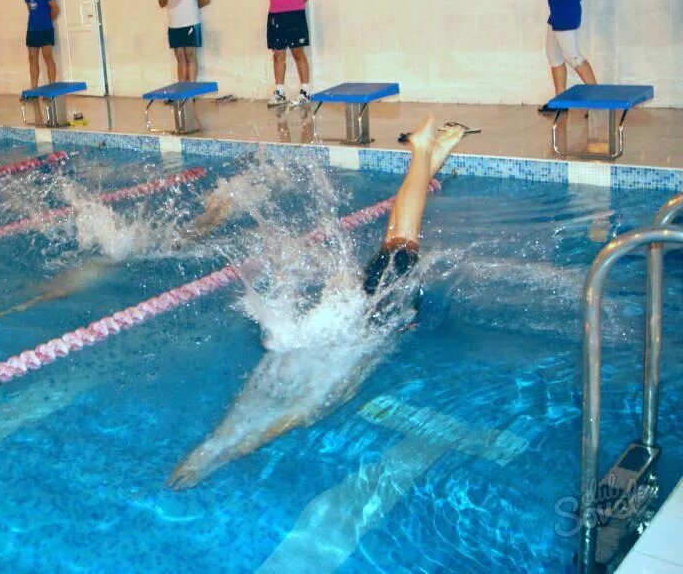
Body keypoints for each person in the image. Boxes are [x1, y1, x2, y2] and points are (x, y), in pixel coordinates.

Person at [168, 115, 467, 490]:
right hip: (365, 308)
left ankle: (424, 150)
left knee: (402, 235)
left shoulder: (312, 388)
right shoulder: (306, 369)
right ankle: (431, 154)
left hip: (370, 311)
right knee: (399, 232)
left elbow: (276, 421)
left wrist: (214, 454)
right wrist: (212, 453)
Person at [22, 0, 59, 90]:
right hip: (32, 29)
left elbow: (55, 8)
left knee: (47, 57)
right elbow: (30, 9)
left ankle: (52, 87)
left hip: (45, 28)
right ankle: (34, 89)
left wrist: (48, 21)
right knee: (32, 58)